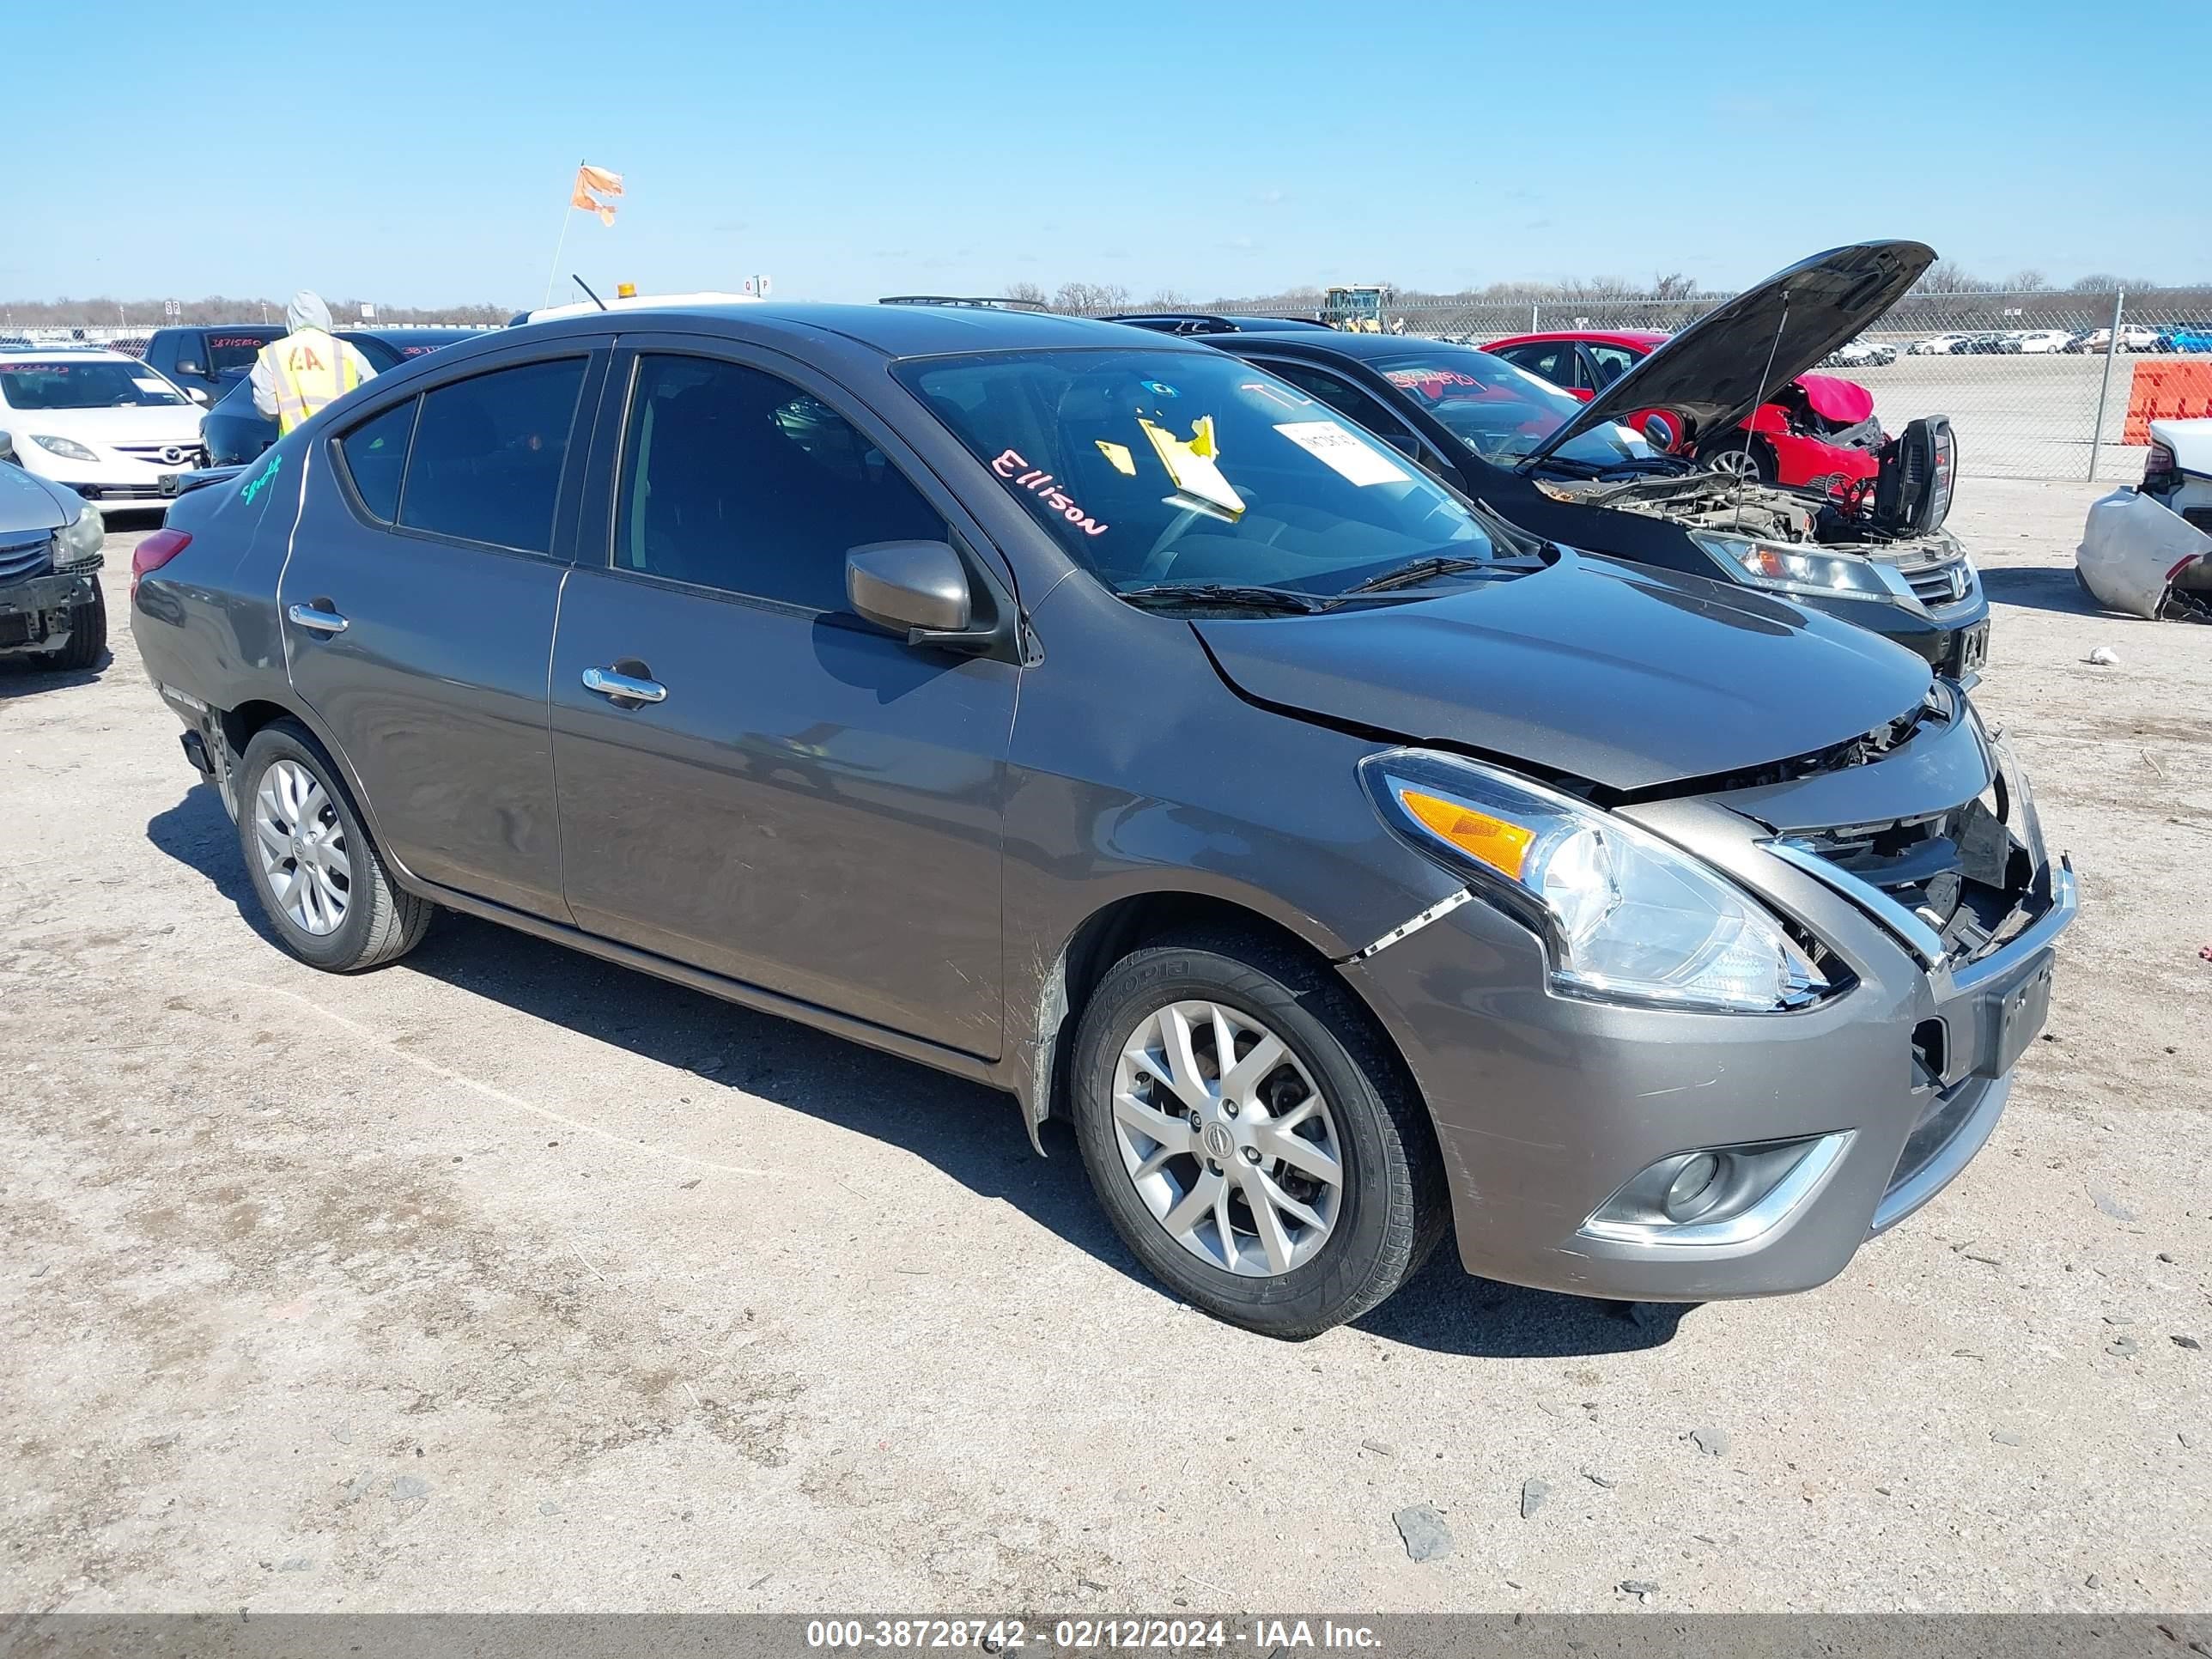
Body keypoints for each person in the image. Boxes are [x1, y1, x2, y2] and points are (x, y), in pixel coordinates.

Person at [250, 290, 375, 434]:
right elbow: (373, 392)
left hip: (295, 443)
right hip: (341, 440)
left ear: (290, 319)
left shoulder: (272, 353)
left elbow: (267, 408)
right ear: (325, 316)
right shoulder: (345, 350)